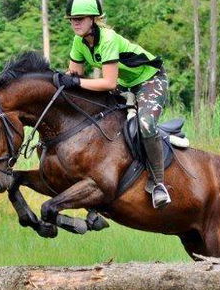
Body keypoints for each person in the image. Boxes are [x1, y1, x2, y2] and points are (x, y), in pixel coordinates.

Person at [59, 0, 171, 209]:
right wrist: (58, 81)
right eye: (72, 20)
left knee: (146, 124)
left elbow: (108, 82)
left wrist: (75, 81)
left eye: (79, 19)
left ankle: (158, 184)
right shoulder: (78, 41)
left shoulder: (108, 39)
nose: (75, 23)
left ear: (93, 20)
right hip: (125, 84)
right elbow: (74, 76)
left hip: (150, 81)